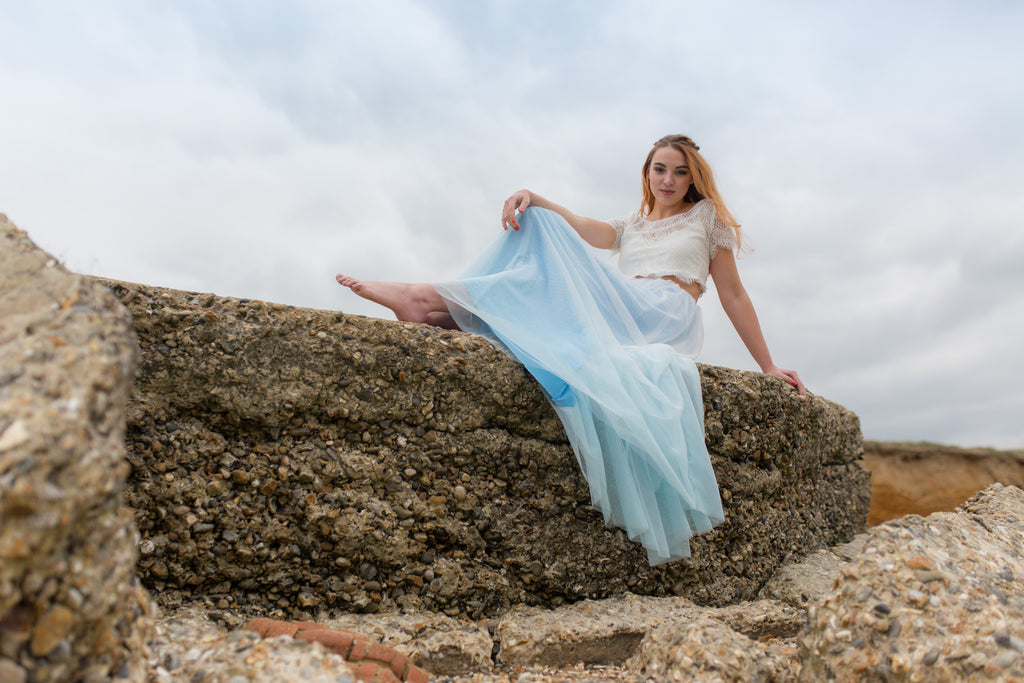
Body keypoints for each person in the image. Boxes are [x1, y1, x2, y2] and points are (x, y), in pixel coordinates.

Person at [336, 134, 804, 565]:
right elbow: (578, 225)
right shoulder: (632, 225)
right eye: (659, 169)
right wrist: (534, 198)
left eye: (680, 172)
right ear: (646, 173)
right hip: (626, 310)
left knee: (553, 281)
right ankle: (441, 311)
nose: (668, 180)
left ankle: (427, 299)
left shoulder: (708, 220)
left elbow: (734, 295)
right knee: (543, 229)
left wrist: (767, 365)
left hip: (663, 313)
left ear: (694, 178)